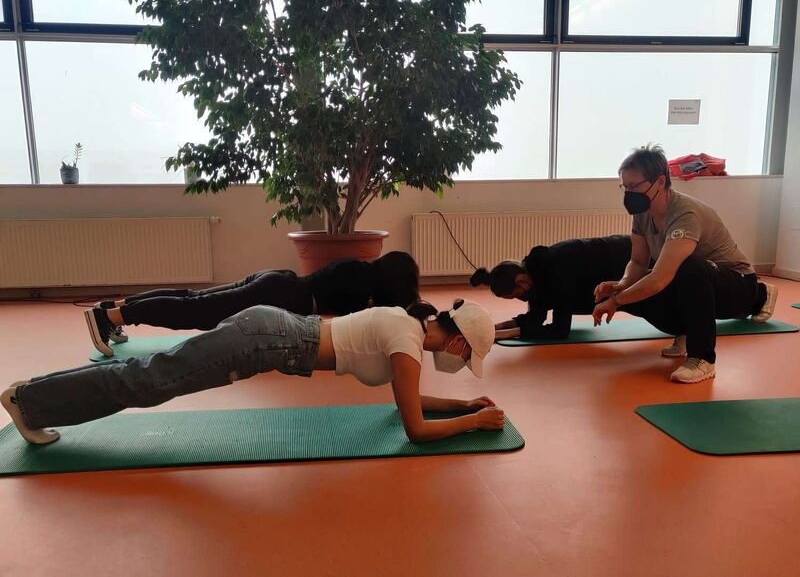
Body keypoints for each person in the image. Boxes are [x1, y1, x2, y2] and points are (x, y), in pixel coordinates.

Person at [2, 299, 502, 446]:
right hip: (266, 340)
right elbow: (414, 429)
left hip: (269, 333)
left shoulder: (406, 328)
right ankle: (29, 402)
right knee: (150, 380)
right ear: (458, 341)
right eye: (466, 356)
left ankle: (32, 397)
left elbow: (406, 404)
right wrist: (473, 423)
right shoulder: (406, 343)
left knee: (152, 374)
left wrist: (464, 405)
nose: (460, 363)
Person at [592, 144, 778, 384]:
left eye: (634, 186)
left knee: (686, 268)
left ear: (660, 182)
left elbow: (660, 279)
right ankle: (686, 331)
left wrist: (617, 301)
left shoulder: (685, 214)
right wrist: (621, 285)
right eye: (624, 186)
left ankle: (703, 358)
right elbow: (637, 261)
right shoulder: (642, 213)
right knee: (635, 290)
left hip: (737, 283)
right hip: (695, 284)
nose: (628, 193)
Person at [85, 252, 420, 357]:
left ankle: (114, 308)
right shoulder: (363, 288)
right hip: (280, 295)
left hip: (278, 281)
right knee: (197, 311)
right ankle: (112, 316)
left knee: (193, 298)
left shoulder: (359, 268)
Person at [470, 235, 632, 340]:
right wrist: (497, 327)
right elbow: (536, 318)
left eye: (514, 295)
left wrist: (507, 334)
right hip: (611, 262)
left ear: (521, 281)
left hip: (625, 259)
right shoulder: (534, 274)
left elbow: (560, 330)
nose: (519, 298)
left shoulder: (557, 272)